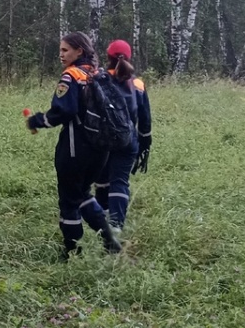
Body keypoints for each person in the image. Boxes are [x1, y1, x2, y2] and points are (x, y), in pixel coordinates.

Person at [25, 32, 122, 257]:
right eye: (60, 50)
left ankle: (71, 251)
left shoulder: (71, 76)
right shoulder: (101, 75)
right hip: (102, 149)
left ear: (80, 51)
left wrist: (38, 120)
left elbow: (64, 111)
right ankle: (110, 241)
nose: (61, 55)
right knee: (82, 193)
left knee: (69, 198)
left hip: (75, 148)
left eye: (65, 50)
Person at [93, 39, 152, 232]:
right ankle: (117, 225)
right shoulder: (137, 84)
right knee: (120, 180)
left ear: (107, 57)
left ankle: (102, 217)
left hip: (102, 140)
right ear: (129, 57)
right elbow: (144, 118)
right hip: (128, 139)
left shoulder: (98, 79)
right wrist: (144, 142)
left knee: (102, 180)